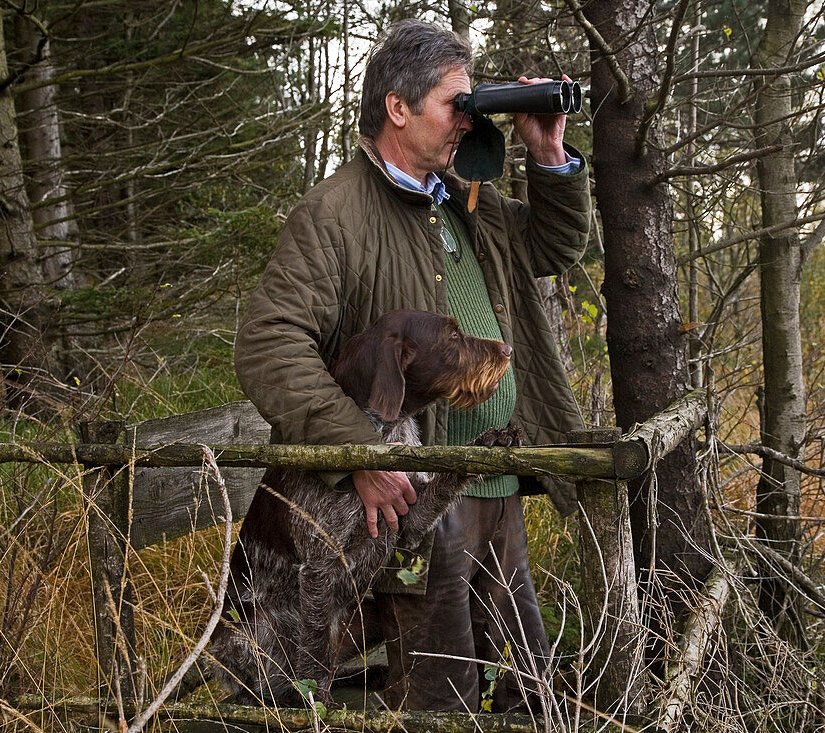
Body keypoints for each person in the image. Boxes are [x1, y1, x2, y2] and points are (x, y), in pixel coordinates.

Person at [234, 19, 591, 712]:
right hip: (414, 504)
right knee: (444, 695)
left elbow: (553, 245)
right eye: (455, 103)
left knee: (531, 686)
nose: (466, 120)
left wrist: (547, 149)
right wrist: (360, 450)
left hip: (493, 481)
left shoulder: (462, 201)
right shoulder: (334, 214)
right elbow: (268, 345)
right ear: (397, 107)